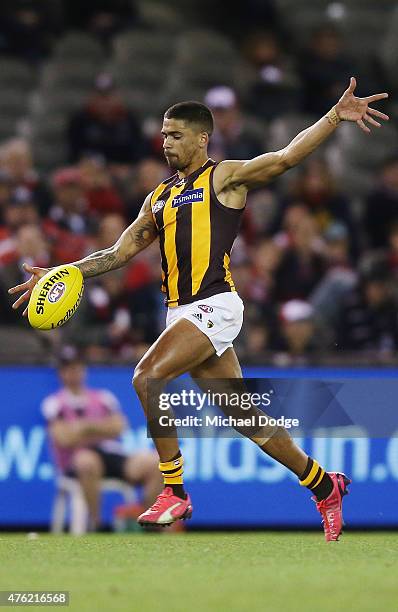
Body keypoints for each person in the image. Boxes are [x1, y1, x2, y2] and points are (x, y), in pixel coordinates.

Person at [9, 77, 389, 541]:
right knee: (246, 418)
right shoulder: (159, 196)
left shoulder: (224, 177)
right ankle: (323, 483)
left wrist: (333, 117)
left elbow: (286, 157)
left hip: (215, 305)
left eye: (175, 134)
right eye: (164, 135)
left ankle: (174, 490)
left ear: (201, 137)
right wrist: (61, 273)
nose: (165, 142)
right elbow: (118, 252)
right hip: (181, 313)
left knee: (146, 377)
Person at [41, 350, 162, 530]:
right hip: (77, 461)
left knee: (157, 462)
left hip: (111, 454)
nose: (73, 372)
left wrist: (83, 428)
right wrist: (101, 428)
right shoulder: (53, 403)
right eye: (68, 368)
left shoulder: (104, 398)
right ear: (61, 373)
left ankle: (147, 524)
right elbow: (63, 438)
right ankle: (95, 524)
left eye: (77, 367)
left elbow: (119, 427)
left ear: (83, 370)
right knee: (87, 462)